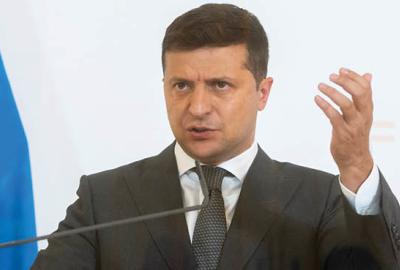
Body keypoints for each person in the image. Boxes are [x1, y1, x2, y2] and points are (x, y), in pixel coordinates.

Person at [31, 3, 400, 269]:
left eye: (220, 85)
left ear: (262, 92)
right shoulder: (105, 200)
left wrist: (356, 166)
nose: (197, 107)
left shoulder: (322, 200)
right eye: (181, 85)